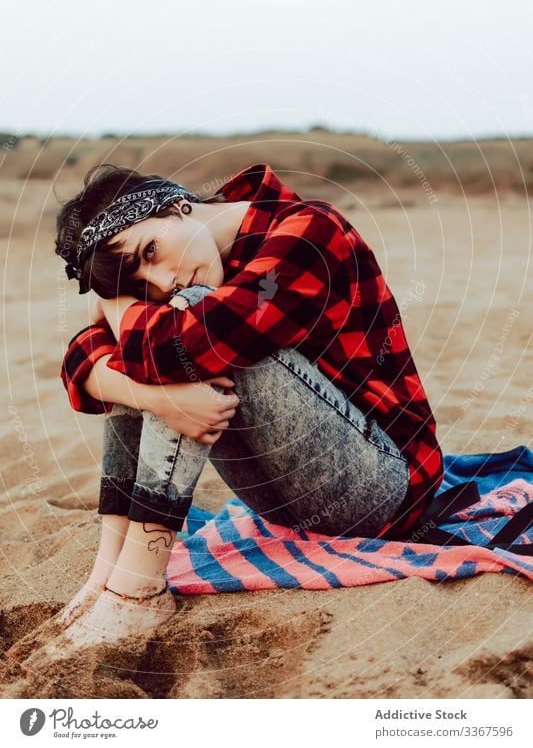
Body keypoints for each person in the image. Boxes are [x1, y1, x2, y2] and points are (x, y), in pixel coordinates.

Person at [9, 161, 444, 658]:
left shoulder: (310, 232)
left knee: (184, 325)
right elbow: (78, 368)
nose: (163, 279)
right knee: (159, 340)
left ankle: (139, 588)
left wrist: (116, 309)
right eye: (141, 281)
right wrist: (155, 397)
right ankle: (108, 572)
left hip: (381, 493)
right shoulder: (193, 269)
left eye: (151, 251)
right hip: (282, 502)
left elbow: (191, 342)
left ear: (176, 205)